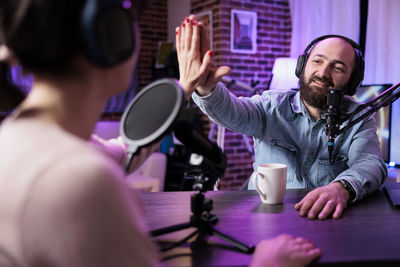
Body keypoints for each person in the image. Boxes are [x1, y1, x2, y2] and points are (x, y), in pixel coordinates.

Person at [0, 1, 321, 266]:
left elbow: (124, 152)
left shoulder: (20, 137)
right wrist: (265, 264)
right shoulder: (83, 179)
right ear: (112, 37)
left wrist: (185, 86)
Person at [176, 15, 387, 221]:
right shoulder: (270, 105)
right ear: (302, 66)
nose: (323, 72)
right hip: (264, 220)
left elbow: (370, 163)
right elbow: (232, 112)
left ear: (352, 82)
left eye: (338, 67)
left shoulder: (359, 118)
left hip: (325, 220)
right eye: (317, 61)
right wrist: (207, 87)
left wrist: (342, 188)